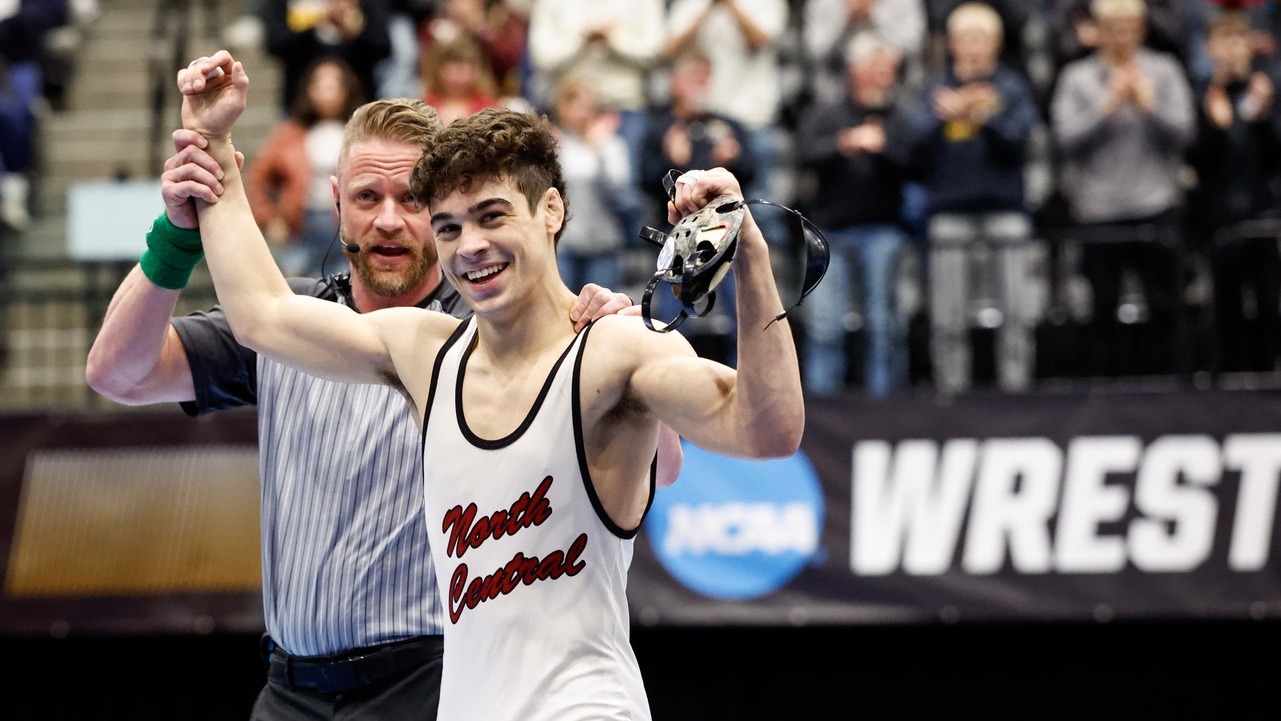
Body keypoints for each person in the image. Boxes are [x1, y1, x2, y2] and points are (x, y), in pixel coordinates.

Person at [173, 49, 802, 721]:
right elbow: (261, 314)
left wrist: (751, 259)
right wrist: (213, 142)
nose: (468, 245)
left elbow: (765, 430)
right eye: (447, 226)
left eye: (492, 215)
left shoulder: (613, 346)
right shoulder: (425, 349)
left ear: (552, 209)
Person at [86, 90, 681, 719]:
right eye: (369, 198)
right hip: (291, 689)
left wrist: (625, 363)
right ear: (338, 204)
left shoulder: (498, 334)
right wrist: (176, 235)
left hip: (435, 682)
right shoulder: (288, 321)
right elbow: (119, 374)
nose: (391, 220)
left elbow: (661, 469)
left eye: (414, 202)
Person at [1049, 0, 1195, 377]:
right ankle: (1103, 395)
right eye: (1112, 28)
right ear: (1097, 31)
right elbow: (1064, 139)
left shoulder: (1163, 71)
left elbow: (1185, 132)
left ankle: (1169, 388)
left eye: (1128, 28)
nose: (1121, 37)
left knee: (1165, 306)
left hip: (1155, 203)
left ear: (1141, 30)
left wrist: (1151, 106)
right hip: (1098, 209)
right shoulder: (1076, 77)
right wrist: (1107, 105)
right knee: (1102, 308)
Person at [907, 2, 1041, 394]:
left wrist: (984, 117)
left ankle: (1017, 393)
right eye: (966, 39)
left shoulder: (1011, 88)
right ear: (951, 44)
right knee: (948, 318)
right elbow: (911, 150)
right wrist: (941, 120)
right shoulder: (933, 91)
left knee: (1017, 313)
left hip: (1005, 211)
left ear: (997, 43)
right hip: (949, 212)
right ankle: (951, 396)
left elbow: (1021, 142)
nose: (973, 47)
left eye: (981, 39)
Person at [796, 29, 915, 398]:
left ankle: (886, 407)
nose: (886, 75)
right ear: (856, 70)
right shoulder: (830, 114)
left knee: (884, 324)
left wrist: (883, 149)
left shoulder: (898, 116)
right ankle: (823, 407)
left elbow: (917, 163)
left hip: (884, 229)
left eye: (889, 69)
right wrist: (843, 144)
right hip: (832, 232)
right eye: (878, 68)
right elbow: (805, 154)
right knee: (825, 326)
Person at [246, 55, 365, 278]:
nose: (327, 92)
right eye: (320, 85)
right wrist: (270, 218)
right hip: (302, 225)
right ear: (309, 90)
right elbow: (258, 178)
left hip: (346, 225)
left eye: (334, 85)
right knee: (299, 290)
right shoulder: (290, 133)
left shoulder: (361, 131)